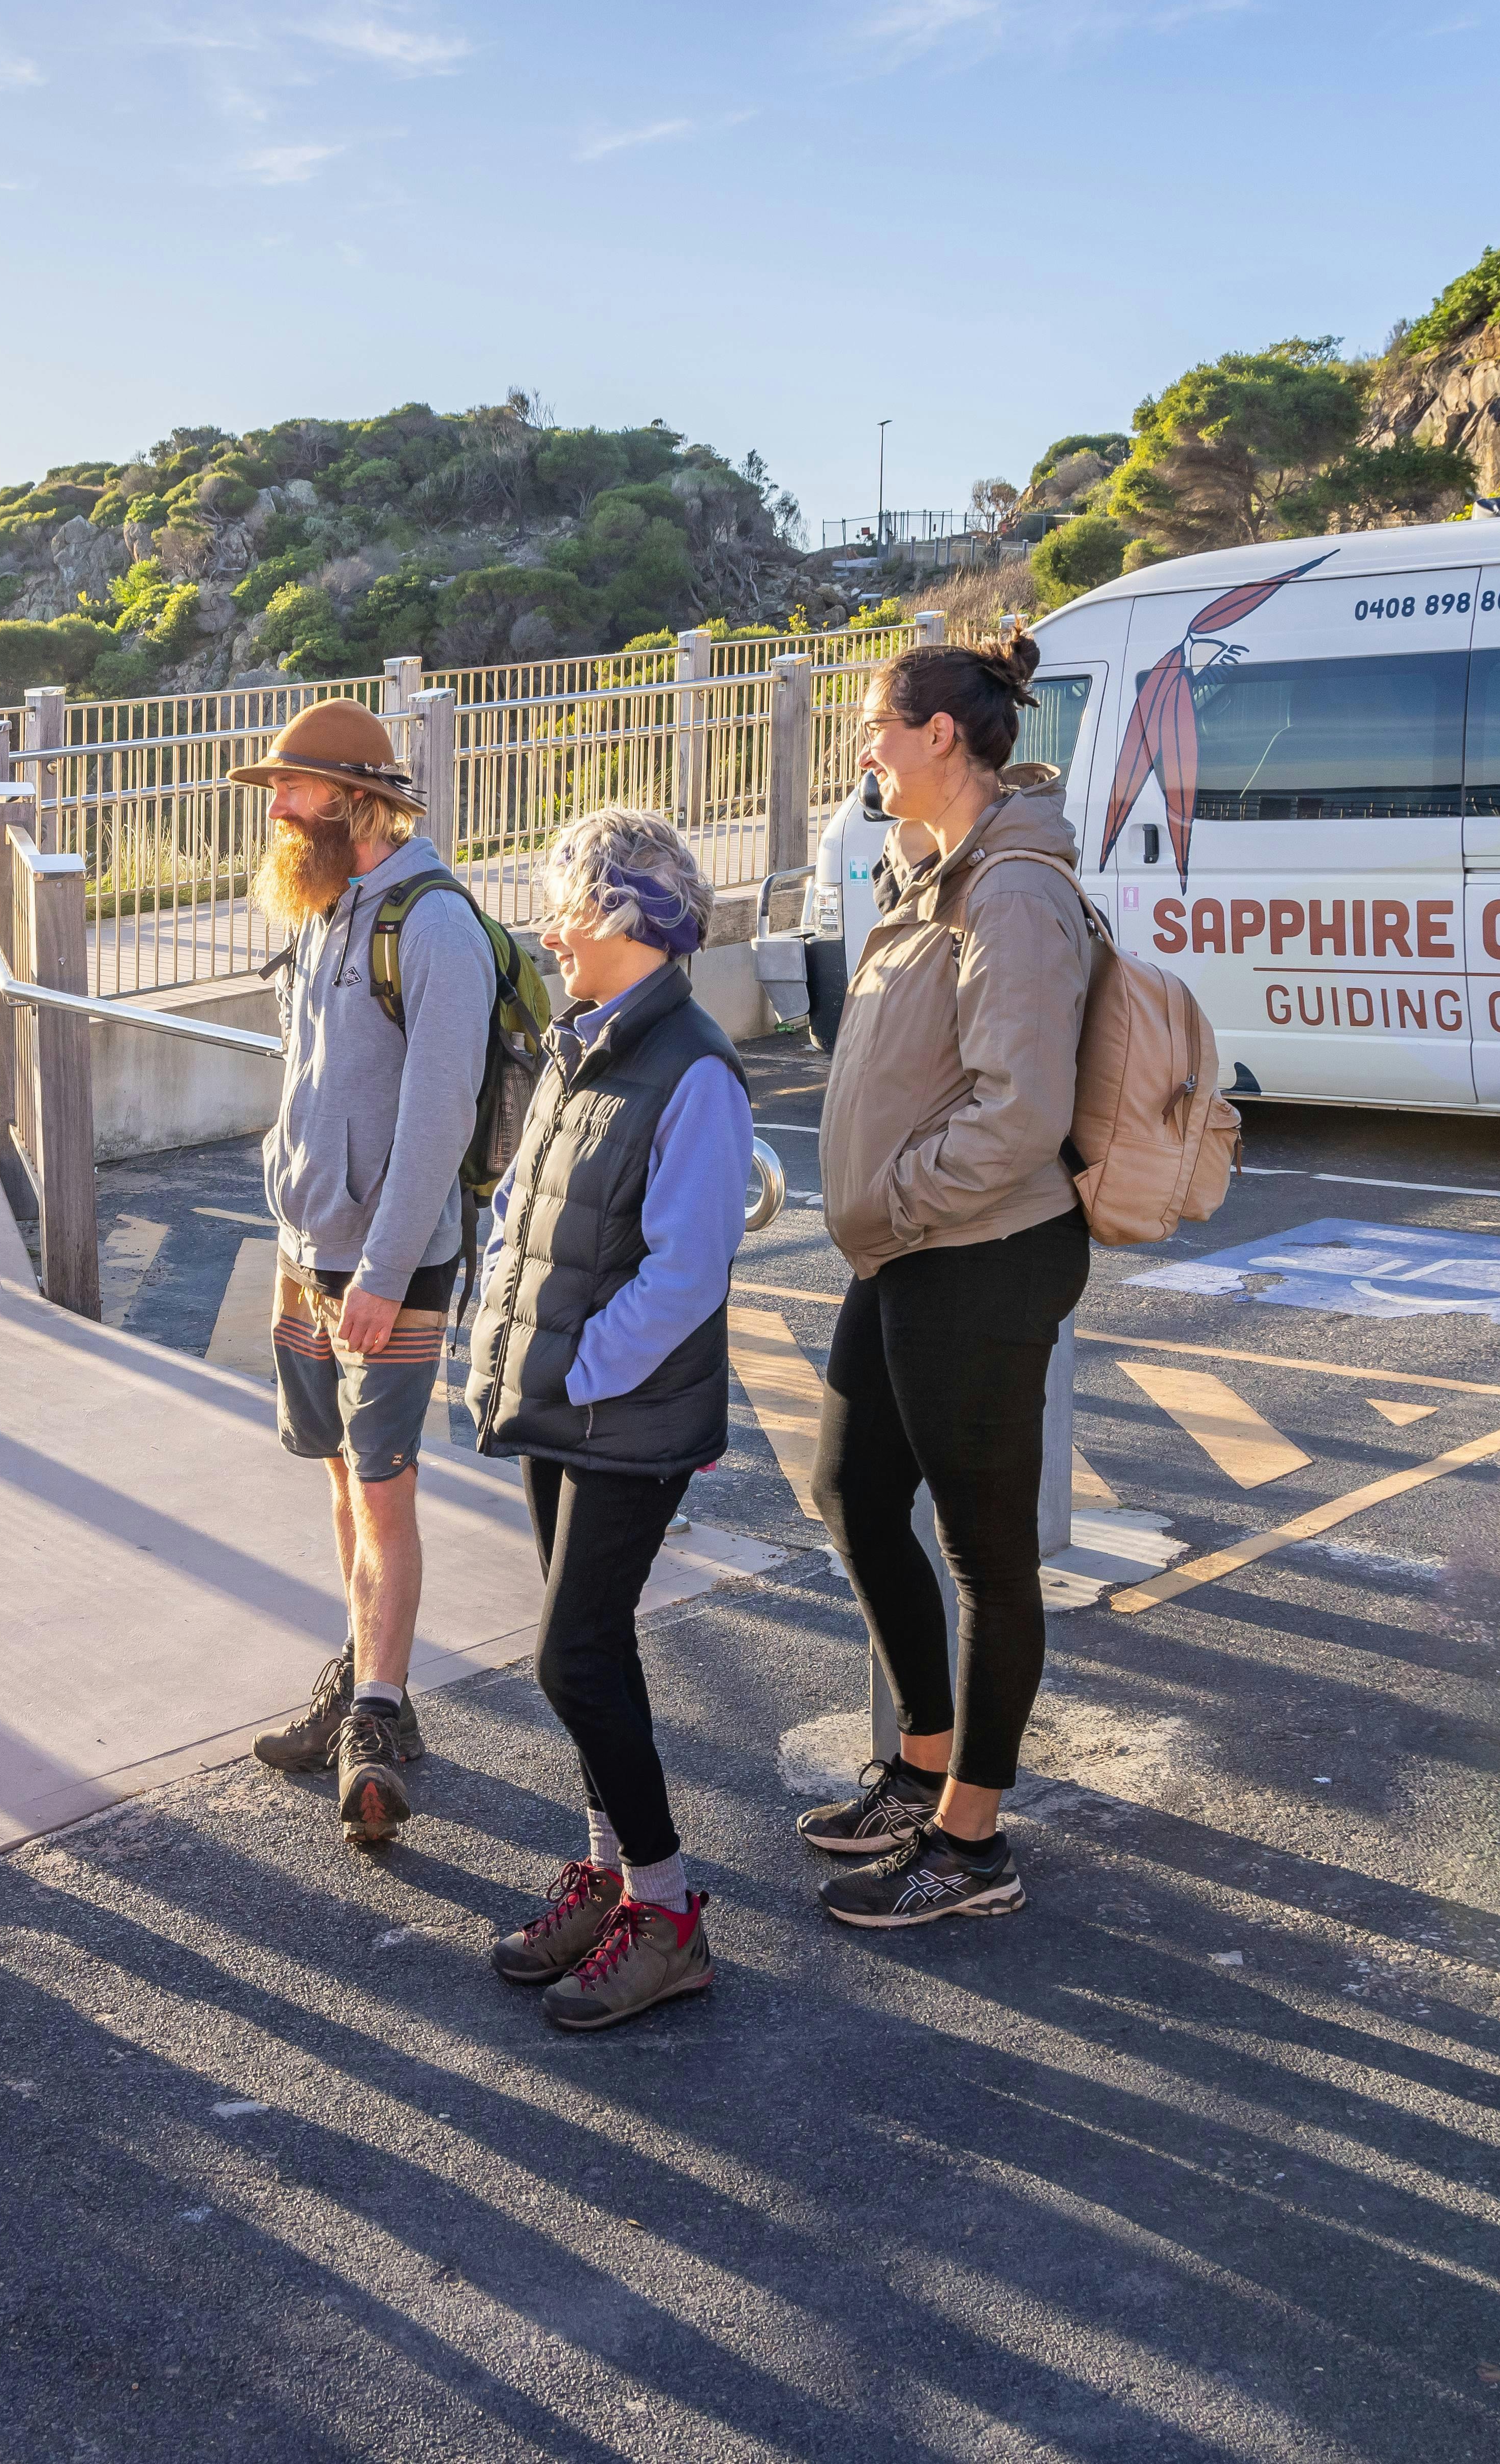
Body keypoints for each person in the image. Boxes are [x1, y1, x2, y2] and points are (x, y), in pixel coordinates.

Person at [798, 631, 1092, 1928]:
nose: (862, 743)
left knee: (984, 1550)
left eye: (876, 721)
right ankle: (922, 1765)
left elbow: (1021, 1110)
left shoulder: (1013, 891)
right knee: (852, 1489)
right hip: (911, 1246)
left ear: (939, 736)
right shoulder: (934, 872)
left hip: (976, 1246)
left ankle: (972, 1841)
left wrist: (897, 1197)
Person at [462, 807, 749, 2031]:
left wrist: (572, 1370)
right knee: (591, 1659)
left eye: (568, 906)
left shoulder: (691, 1063)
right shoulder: (588, 1041)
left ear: (627, 918)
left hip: (616, 1410)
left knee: (571, 1652)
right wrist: (506, 1339)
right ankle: (609, 1876)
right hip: (560, 1400)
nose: (550, 928)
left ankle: (667, 1911)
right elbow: (522, 1207)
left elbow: (688, 1270)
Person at [232, 696, 491, 1845]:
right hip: (307, 1257)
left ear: (352, 797)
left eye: (291, 789)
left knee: (383, 1485)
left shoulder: (430, 923)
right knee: (340, 1476)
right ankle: (358, 1675)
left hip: (391, 1264)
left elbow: (439, 1120)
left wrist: (386, 1268)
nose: (275, 809)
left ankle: (381, 1721)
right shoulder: (329, 908)